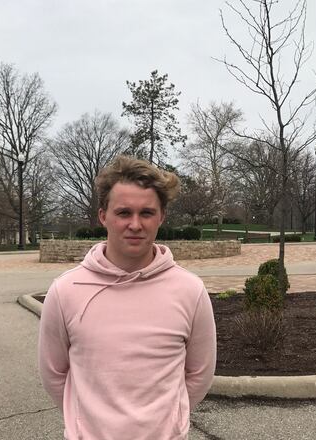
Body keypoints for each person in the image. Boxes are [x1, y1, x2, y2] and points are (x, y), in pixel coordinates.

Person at [38, 155, 217, 440]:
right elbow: (54, 373)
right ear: (103, 216)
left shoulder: (190, 290)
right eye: (123, 213)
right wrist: (85, 422)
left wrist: (170, 421)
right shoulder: (65, 291)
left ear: (162, 217)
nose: (135, 224)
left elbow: (199, 374)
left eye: (146, 213)